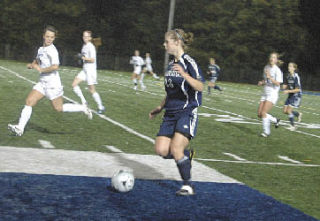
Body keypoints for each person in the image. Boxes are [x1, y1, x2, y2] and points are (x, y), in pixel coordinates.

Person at [8, 26, 92, 136]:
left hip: (53, 84)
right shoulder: (41, 49)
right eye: (47, 36)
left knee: (58, 108)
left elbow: (55, 66)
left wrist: (41, 69)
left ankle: (83, 108)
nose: (49, 39)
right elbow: (37, 60)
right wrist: (32, 65)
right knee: (29, 101)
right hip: (43, 83)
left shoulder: (52, 50)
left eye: (52, 37)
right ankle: (20, 128)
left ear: (54, 38)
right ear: (43, 36)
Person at [149, 29, 204, 196]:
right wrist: (160, 107)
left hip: (186, 111)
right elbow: (170, 92)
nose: (164, 44)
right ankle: (187, 156)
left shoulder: (189, 62)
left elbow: (200, 86)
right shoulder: (171, 64)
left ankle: (188, 185)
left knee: (176, 148)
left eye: (167, 41)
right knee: (161, 150)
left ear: (177, 42)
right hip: (170, 114)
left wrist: (185, 75)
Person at [72, 30, 105, 114]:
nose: (85, 38)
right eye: (84, 36)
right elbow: (84, 56)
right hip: (85, 69)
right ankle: (84, 102)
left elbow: (93, 59)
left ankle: (101, 106)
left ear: (90, 38)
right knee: (74, 84)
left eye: (87, 36)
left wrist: (83, 58)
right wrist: (81, 58)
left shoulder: (91, 46)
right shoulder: (84, 46)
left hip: (90, 70)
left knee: (92, 90)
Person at [257, 52, 283, 137]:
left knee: (264, 113)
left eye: (274, 57)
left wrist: (270, 78)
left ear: (276, 60)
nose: (272, 58)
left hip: (272, 93)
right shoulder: (266, 67)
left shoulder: (277, 70)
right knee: (260, 114)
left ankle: (266, 132)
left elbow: (278, 83)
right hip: (265, 92)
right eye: (271, 57)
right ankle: (275, 120)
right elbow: (266, 80)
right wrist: (262, 82)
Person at [283, 62, 302, 131]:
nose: (289, 67)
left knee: (289, 110)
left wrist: (288, 91)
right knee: (285, 111)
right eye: (288, 66)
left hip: (296, 95)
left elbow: (298, 89)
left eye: (291, 66)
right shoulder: (288, 76)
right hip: (290, 94)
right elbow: (285, 85)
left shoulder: (296, 76)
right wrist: (284, 86)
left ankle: (293, 126)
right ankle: (298, 114)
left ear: (294, 68)